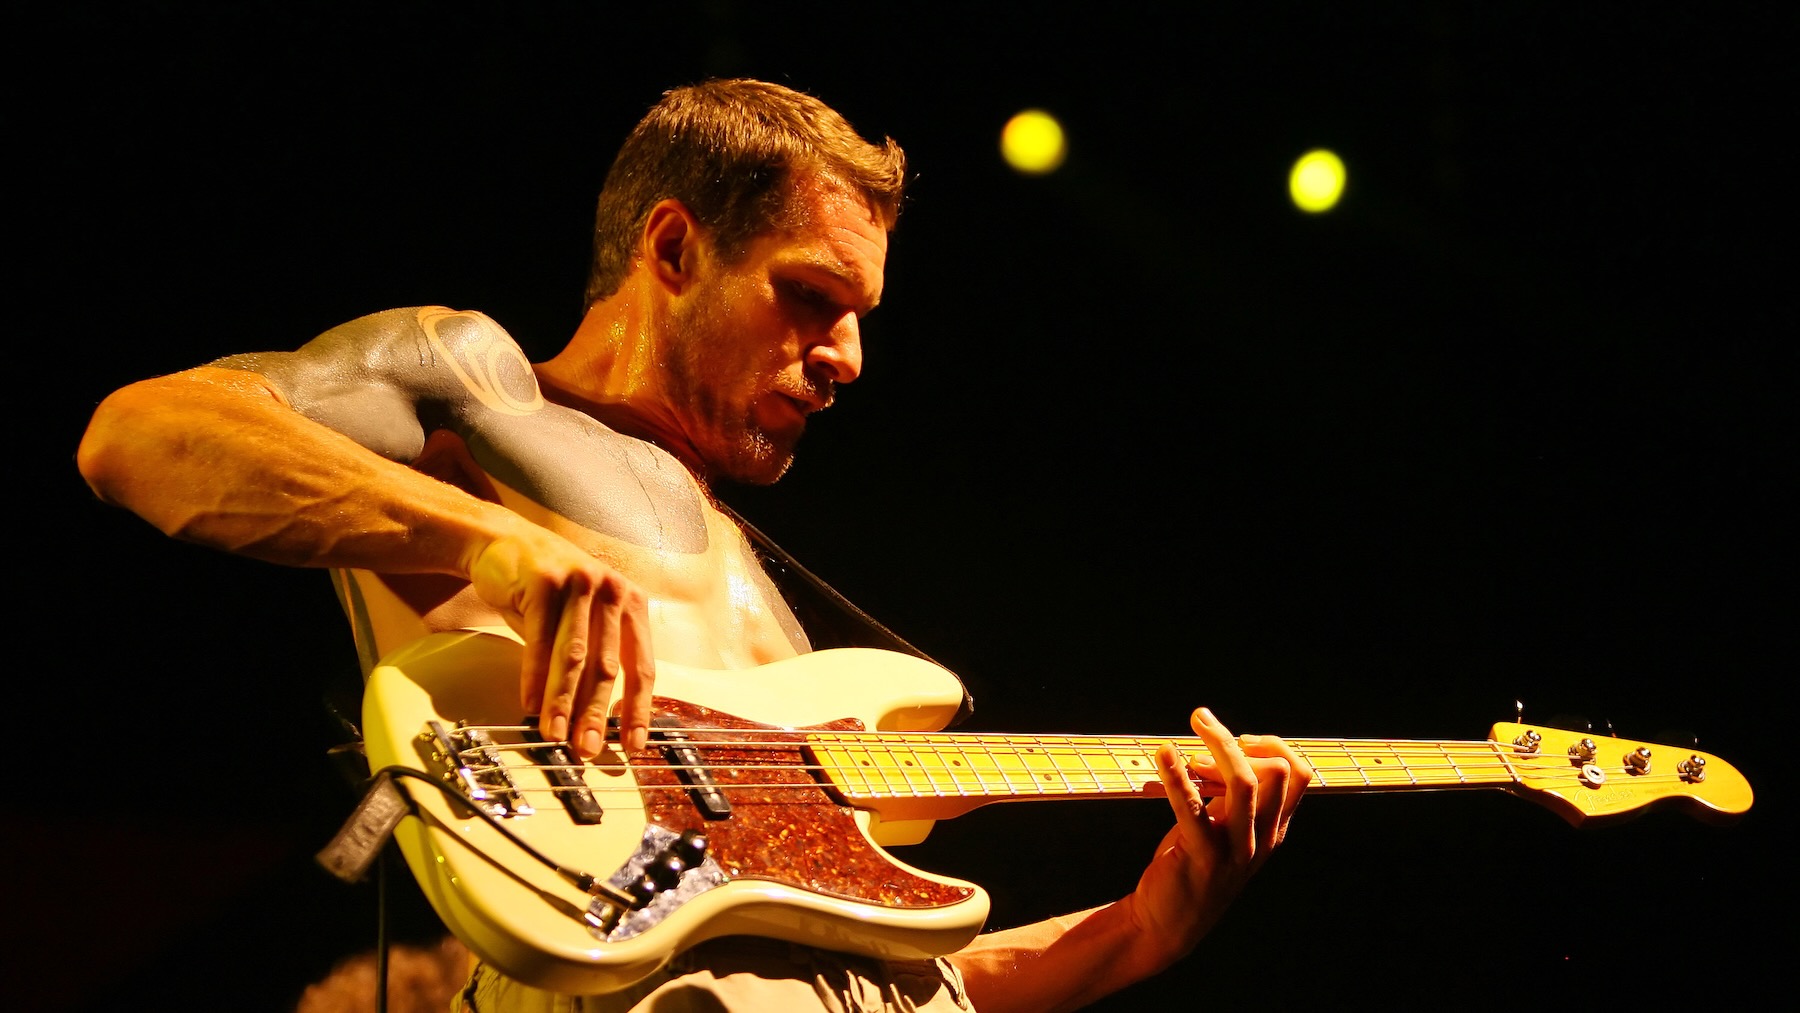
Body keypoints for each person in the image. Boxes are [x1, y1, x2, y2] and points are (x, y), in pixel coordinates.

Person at [77, 78, 1311, 1012]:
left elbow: (861, 980)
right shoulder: (481, 390)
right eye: (811, 296)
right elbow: (140, 432)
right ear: (673, 247)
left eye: (861, 316)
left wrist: (1144, 929)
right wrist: (496, 546)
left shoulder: (747, 573)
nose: (848, 358)